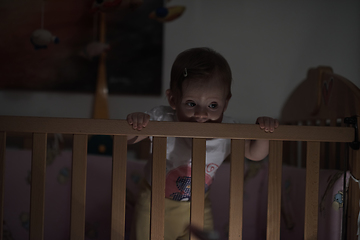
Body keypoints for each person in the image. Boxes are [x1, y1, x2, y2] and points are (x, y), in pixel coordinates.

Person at [127, 47, 279, 240]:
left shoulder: (228, 130)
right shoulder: (161, 118)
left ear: (226, 102)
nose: (201, 114)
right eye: (191, 103)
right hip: (153, 204)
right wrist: (136, 124)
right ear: (173, 99)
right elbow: (126, 139)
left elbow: (255, 154)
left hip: (198, 206)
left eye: (213, 105)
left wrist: (264, 132)